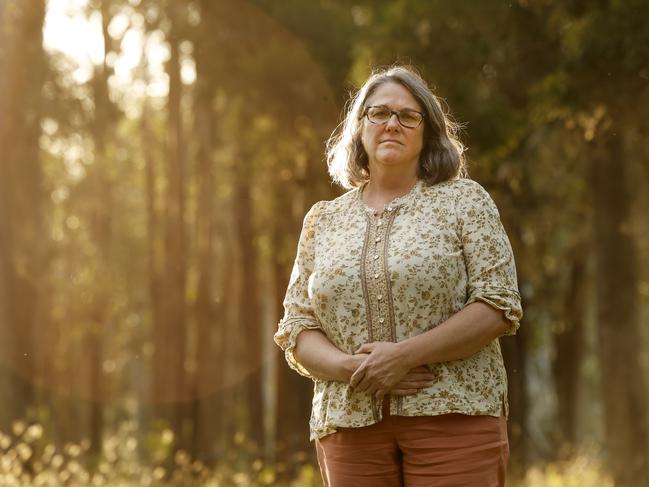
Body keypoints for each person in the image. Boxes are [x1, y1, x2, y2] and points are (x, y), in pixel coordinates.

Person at [274, 65, 523, 487]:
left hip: (454, 415)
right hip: (349, 423)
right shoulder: (323, 219)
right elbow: (297, 328)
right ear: (359, 128)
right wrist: (354, 368)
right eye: (379, 113)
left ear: (428, 133)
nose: (393, 123)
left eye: (409, 116)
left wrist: (405, 356)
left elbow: (499, 304)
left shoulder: (464, 201)